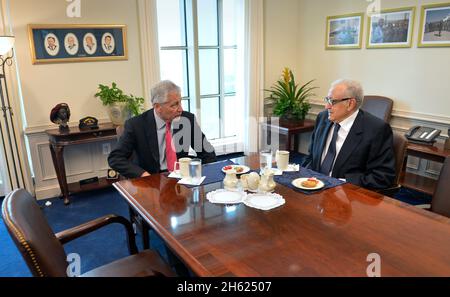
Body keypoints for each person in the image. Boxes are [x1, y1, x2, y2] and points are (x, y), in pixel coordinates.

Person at [108, 80, 216, 178]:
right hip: (151, 179)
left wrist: (203, 176)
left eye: (180, 102)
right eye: (174, 105)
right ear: (158, 107)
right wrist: (143, 174)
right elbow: (115, 158)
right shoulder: (136, 125)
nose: (180, 109)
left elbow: (207, 152)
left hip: (182, 177)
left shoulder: (187, 119)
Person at [302, 79, 395, 190]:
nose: (326, 106)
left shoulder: (376, 129)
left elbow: (382, 176)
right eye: (327, 100)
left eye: (332, 101)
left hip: (347, 196)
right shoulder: (322, 118)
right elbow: (311, 156)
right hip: (313, 188)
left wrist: (340, 183)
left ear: (350, 104)